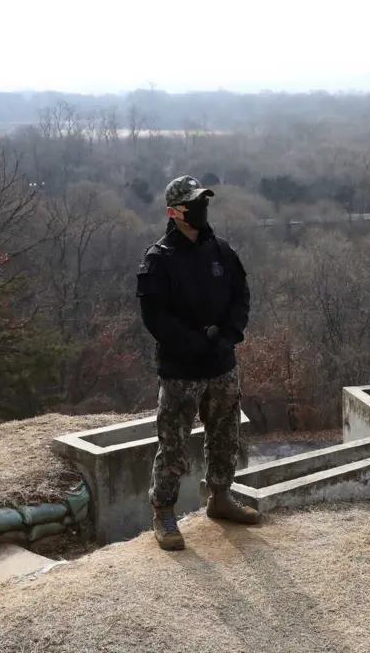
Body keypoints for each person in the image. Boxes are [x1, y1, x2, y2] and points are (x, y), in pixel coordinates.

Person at [136, 174, 258, 551]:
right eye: (193, 204)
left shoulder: (222, 251)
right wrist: (193, 345)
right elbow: (156, 318)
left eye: (204, 201)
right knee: (173, 444)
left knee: (225, 437)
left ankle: (220, 497)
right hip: (181, 371)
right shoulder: (158, 261)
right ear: (174, 212)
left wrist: (227, 335)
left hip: (222, 364)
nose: (201, 208)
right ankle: (164, 511)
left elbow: (241, 296)